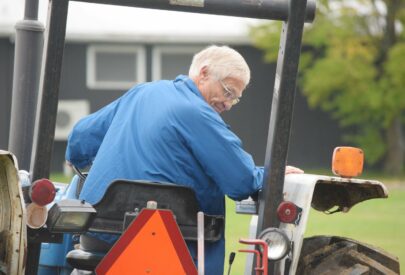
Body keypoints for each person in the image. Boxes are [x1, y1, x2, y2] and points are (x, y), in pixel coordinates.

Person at [66, 45, 303, 274]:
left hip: (98, 235)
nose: (228, 104)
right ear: (204, 73)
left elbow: (81, 136)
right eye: (228, 92)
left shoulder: (143, 91)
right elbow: (242, 182)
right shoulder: (199, 114)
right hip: (171, 246)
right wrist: (270, 174)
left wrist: (75, 159)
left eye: (235, 99)